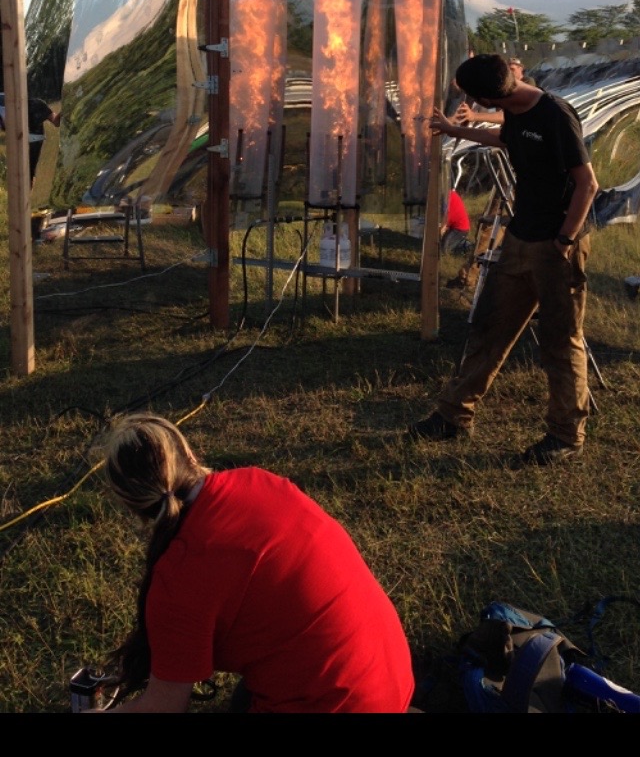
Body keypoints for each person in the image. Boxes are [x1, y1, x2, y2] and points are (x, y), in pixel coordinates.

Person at [89, 413, 415, 713]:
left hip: (340, 702)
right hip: (392, 675)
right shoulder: (259, 481)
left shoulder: (177, 581)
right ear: (189, 456)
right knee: (245, 698)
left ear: (129, 507)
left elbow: (162, 707)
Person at [410, 53, 599, 466]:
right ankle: (453, 416)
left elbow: (588, 184)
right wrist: (456, 129)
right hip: (519, 237)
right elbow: (506, 140)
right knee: (489, 328)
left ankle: (566, 435)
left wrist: (564, 240)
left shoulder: (555, 114)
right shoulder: (513, 109)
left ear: (490, 97)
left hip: (556, 245)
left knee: (559, 339)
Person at [440, 188, 471, 254]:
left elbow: (443, 227)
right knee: (442, 244)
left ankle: (466, 245)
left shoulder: (447, 203)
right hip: (453, 226)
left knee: (444, 250)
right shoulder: (448, 194)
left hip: (460, 229)